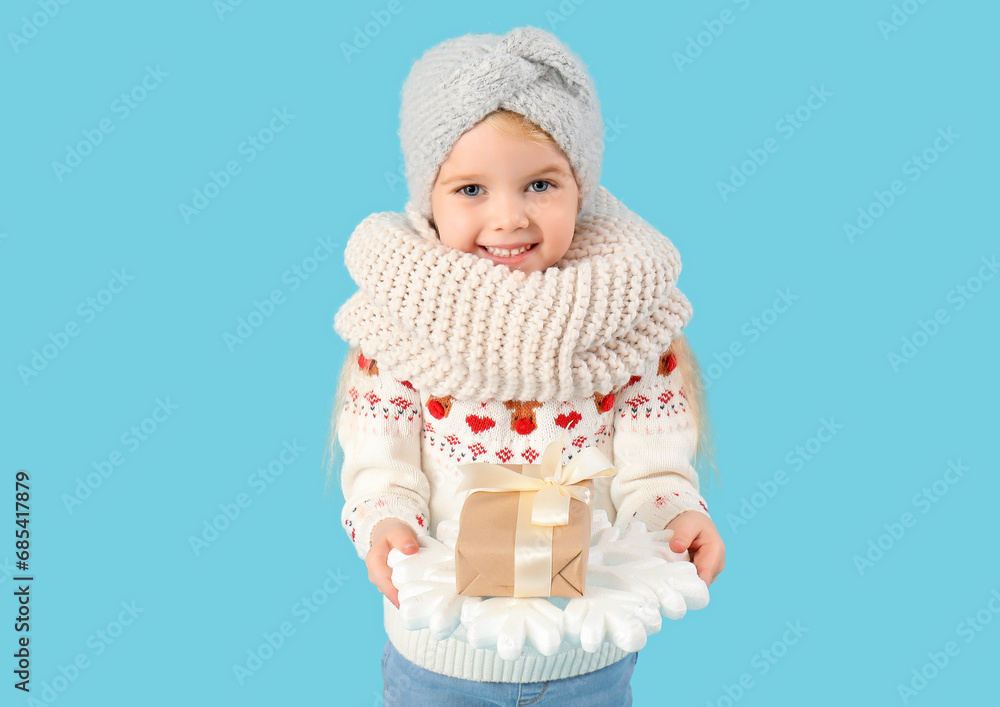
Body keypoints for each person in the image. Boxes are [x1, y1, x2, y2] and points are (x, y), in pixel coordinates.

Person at [327, 25, 725, 706]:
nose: (508, 218)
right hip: (441, 654)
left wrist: (674, 516)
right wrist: (387, 520)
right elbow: (381, 463)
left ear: (582, 187)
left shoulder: (628, 323)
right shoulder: (401, 328)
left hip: (585, 655)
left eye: (540, 183)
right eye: (471, 190)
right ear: (429, 197)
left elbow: (653, 466)